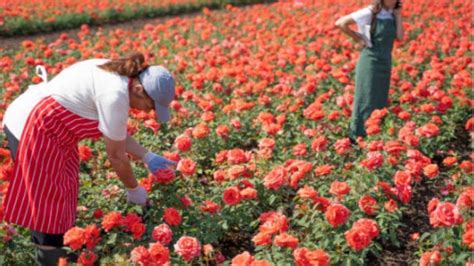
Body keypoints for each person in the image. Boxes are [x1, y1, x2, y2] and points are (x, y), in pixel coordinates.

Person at [1, 53, 177, 265]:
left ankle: (64, 250)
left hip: (52, 131)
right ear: (139, 90)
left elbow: (115, 134)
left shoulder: (116, 73)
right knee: (47, 202)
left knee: (64, 190)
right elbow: (116, 155)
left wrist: (148, 156)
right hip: (33, 127)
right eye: (150, 106)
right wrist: (134, 190)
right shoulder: (115, 95)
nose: (149, 112)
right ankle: (49, 259)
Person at [335, 0, 404, 142]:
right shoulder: (370, 12)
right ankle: (358, 138)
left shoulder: (391, 14)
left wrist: (398, 15)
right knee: (366, 99)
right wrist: (358, 38)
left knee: (379, 100)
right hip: (370, 61)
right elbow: (341, 23)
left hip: (385, 62)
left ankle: (375, 138)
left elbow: (400, 37)